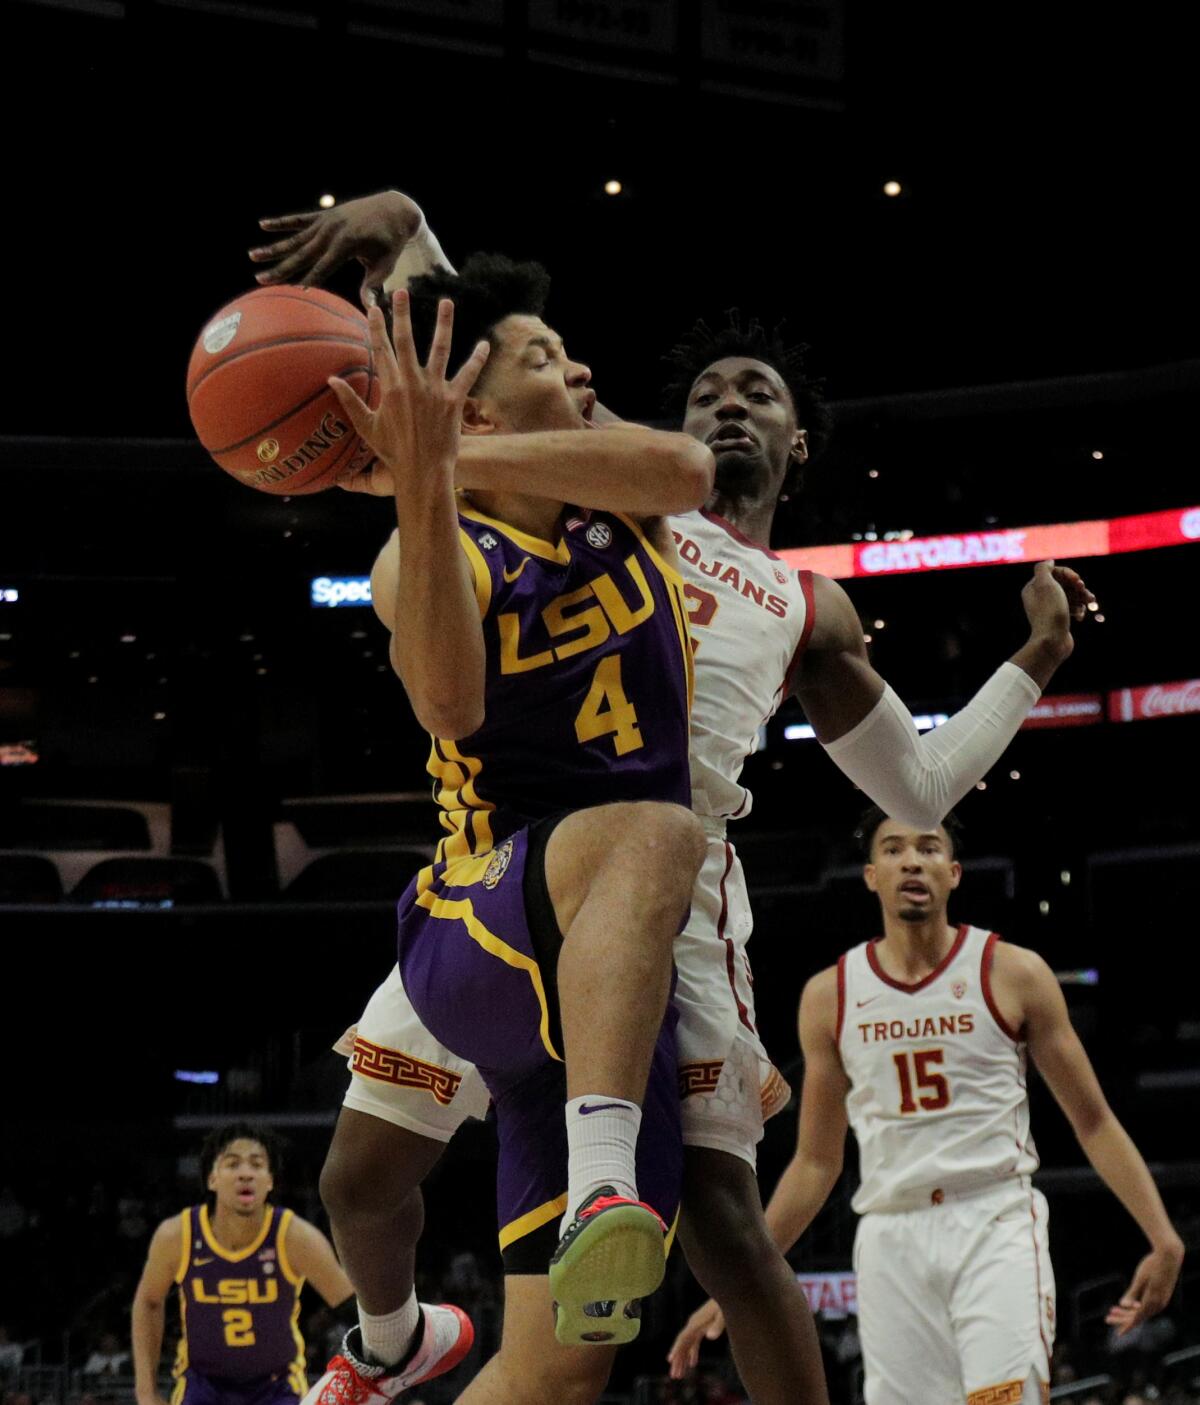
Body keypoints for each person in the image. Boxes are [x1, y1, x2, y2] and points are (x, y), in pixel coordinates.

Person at [250, 192, 1094, 1405]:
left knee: (722, 1223)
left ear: (798, 443)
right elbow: (480, 352)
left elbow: (917, 785)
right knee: (357, 1178)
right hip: (516, 850)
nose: (727, 404)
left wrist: (1036, 663)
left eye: (760, 392)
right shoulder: (606, 482)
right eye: (706, 390)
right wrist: (410, 246)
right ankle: (389, 1341)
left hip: (663, 877)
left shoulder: (804, 601)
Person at [668, 807, 1186, 1405]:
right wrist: (739, 1283)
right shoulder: (830, 995)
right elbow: (816, 1163)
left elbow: (1093, 1121)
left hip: (994, 1219)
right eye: (893, 849)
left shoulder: (1014, 973)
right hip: (891, 1234)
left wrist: (1162, 1236)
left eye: (929, 847)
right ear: (870, 875)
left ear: (955, 872)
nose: (912, 859)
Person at [132, 1125, 353, 1405]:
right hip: (203, 1384)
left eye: (257, 1164)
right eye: (232, 1163)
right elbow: (149, 1302)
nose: (246, 1173)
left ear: (270, 1181)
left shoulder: (294, 1236)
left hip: (277, 1386)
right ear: (212, 1179)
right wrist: (146, 1392)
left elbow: (352, 1307)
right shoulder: (177, 1235)